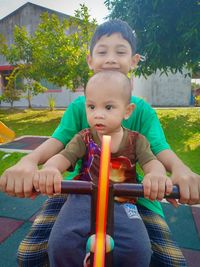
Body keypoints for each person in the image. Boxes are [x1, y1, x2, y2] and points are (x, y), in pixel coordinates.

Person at [0, 19, 198, 266]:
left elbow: (159, 150)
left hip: (131, 196)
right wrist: (30, 162)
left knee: (172, 262)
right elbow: (58, 142)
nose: (111, 59)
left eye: (120, 51)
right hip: (81, 191)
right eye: (102, 51)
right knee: (29, 254)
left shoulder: (142, 112)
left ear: (134, 61)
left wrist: (179, 169)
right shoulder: (78, 108)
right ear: (90, 60)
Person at [35, 70, 173, 266]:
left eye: (108, 107)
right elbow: (63, 156)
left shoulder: (136, 140)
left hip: (124, 202)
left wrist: (156, 175)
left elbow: (152, 163)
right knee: (60, 243)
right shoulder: (84, 137)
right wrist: (51, 168)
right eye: (91, 106)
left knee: (139, 250)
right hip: (83, 198)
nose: (98, 114)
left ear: (127, 111)